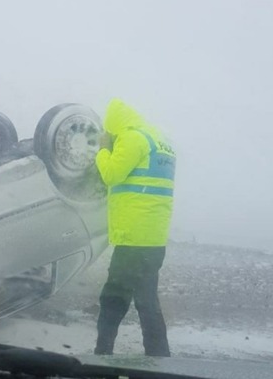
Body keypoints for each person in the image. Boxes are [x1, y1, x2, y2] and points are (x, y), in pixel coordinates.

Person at [94, 98, 176, 357]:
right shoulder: (159, 141)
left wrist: (103, 149)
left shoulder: (132, 139)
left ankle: (101, 355)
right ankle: (160, 358)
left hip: (133, 239)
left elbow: (111, 174)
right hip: (153, 240)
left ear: (114, 126)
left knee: (113, 299)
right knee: (147, 302)